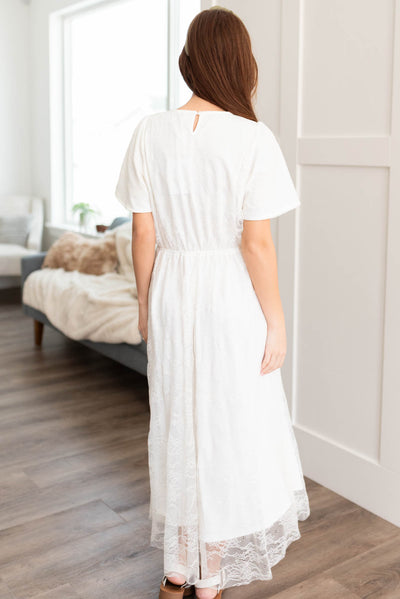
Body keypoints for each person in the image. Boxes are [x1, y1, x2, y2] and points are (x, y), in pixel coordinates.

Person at [115, 6, 310, 599]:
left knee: (176, 422)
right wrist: (276, 323)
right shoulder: (253, 138)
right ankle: (212, 578)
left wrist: (147, 304)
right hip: (229, 298)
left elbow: (142, 234)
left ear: (190, 60)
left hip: (173, 287)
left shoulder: (150, 130)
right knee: (223, 429)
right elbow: (257, 245)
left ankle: (176, 569)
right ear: (241, 62)